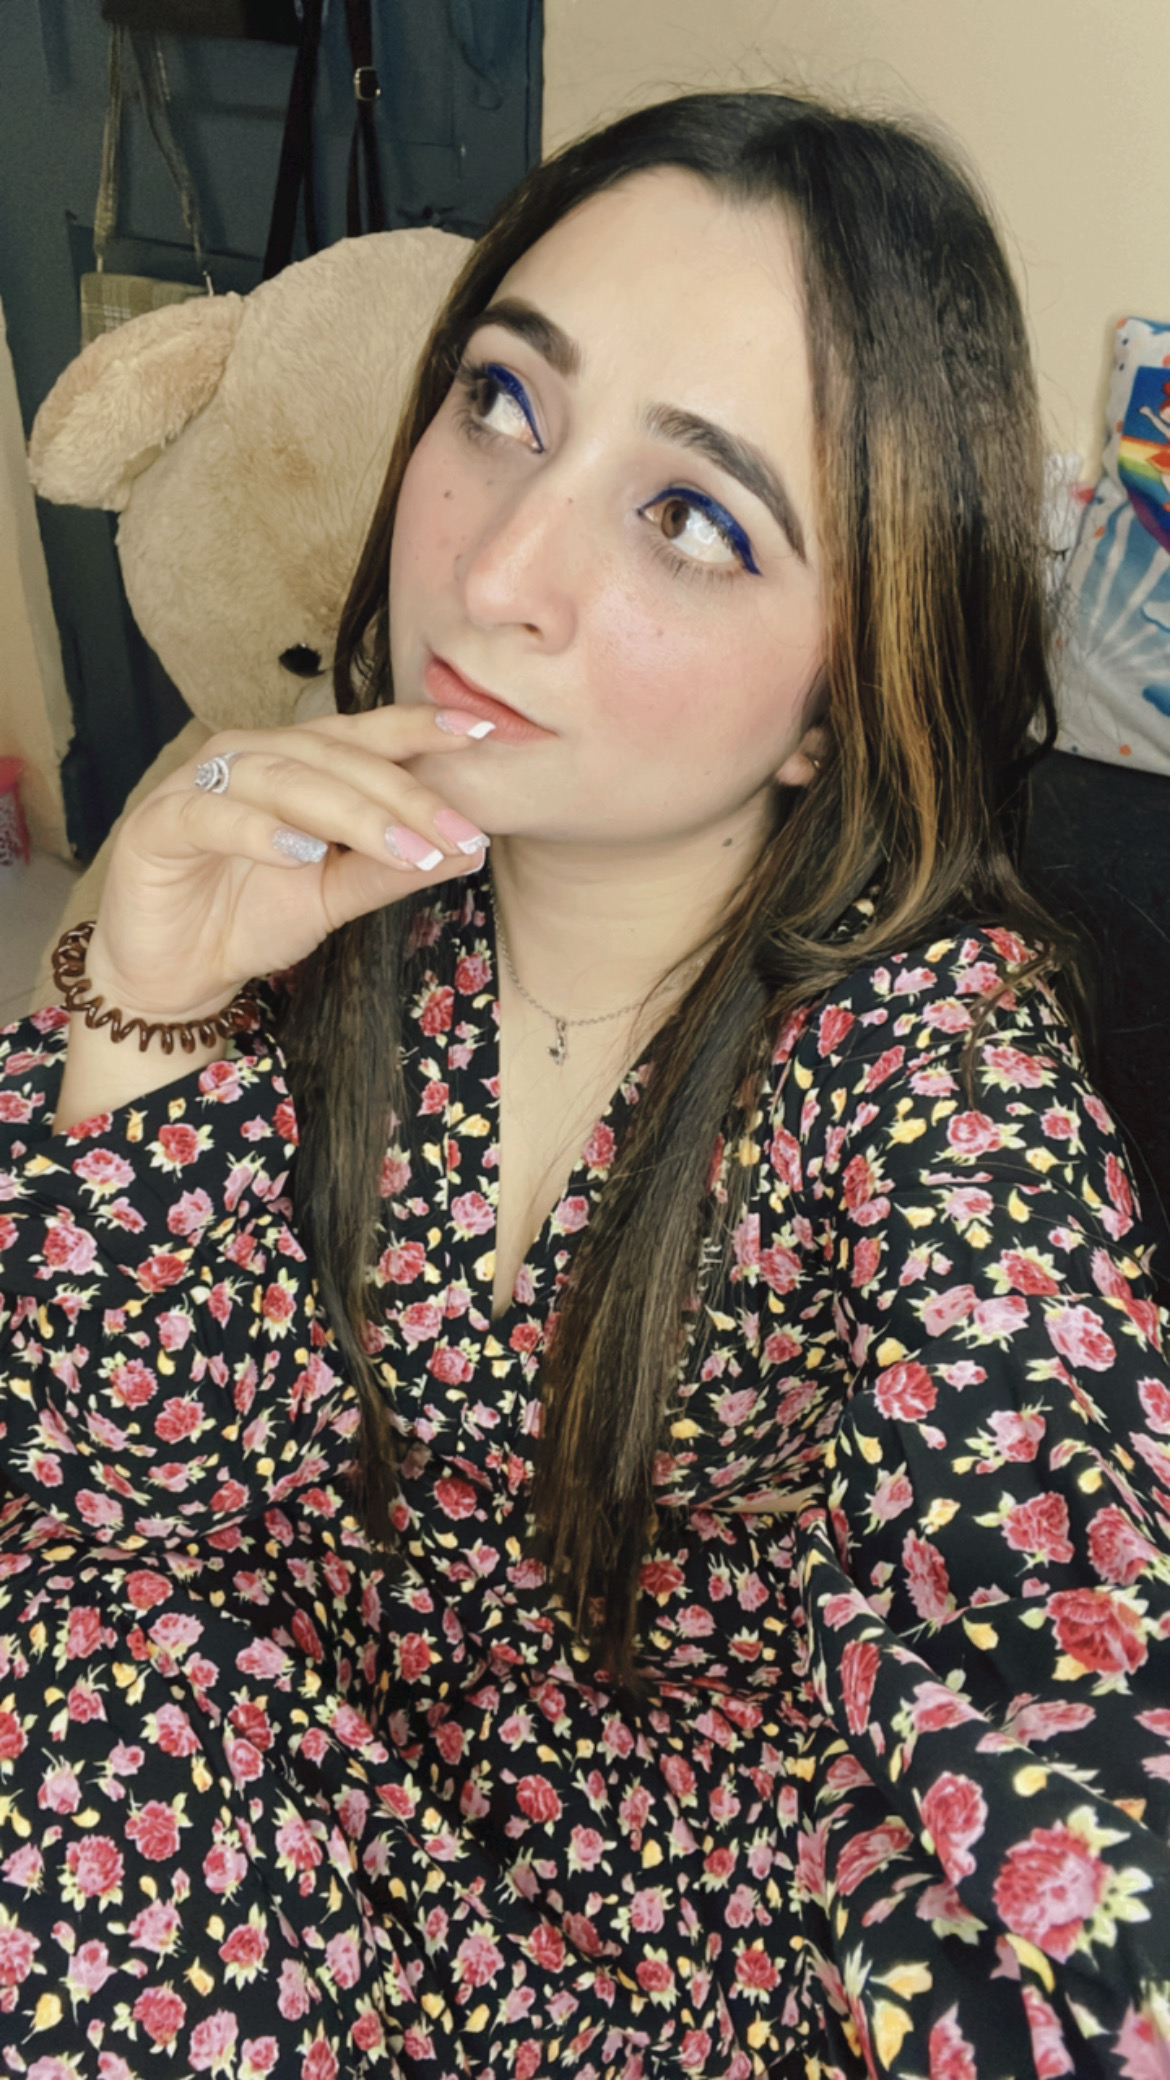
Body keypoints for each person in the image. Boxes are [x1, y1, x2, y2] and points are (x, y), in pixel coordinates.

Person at [1, 88, 1168, 2080]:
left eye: (693, 517)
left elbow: (1055, 1693)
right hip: (295, 1814)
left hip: (678, 1973)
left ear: (835, 703)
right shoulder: (324, 884)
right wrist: (149, 1001)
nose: (501, 565)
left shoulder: (936, 1074)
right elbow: (115, 1506)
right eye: (503, 402)